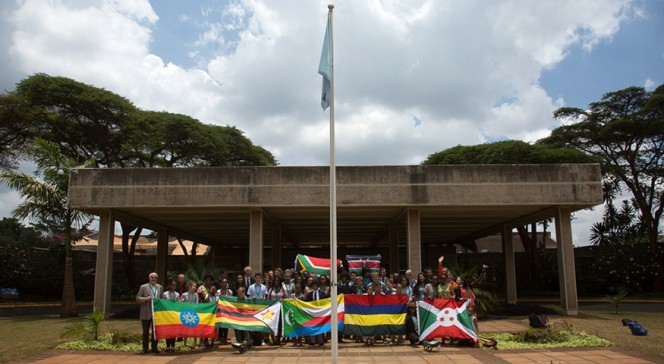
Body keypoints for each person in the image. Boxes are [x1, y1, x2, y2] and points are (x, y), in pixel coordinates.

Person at [136, 272, 163, 354]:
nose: (153, 279)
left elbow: (161, 299)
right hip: (146, 312)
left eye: (155, 278)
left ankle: (154, 348)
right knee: (145, 332)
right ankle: (145, 348)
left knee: (156, 331)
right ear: (149, 278)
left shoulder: (160, 287)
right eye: (152, 277)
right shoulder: (144, 287)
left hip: (156, 313)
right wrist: (145, 299)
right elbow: (137, 298)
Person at [305, 280, 328, 346]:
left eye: (316, 285)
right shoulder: (310, 294)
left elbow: (327, 299)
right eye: (313, 285)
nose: (314, 286)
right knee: (312, 327)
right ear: (312, 287)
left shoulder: (322, 293)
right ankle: (312, 341)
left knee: (320, 327)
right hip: (312, 313)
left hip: (320, 312)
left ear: (318, 286)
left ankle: (320, 341)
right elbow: (306, 302)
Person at [162, 279, 180, 352]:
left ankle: (173, 346)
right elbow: (163, 303)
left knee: (174, 331)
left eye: (175, 285)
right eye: (172, 285)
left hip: (174, 314)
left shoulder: (177, 294)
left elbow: (179, 304)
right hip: (167, 314)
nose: (173, 286)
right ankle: (167, 346)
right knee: (168, 331)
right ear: (169, 285)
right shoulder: (165, 294)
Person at [233, 287, 253, 351]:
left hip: (245, 317)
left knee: (246, 330)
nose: (239, 294)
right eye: (238, 293)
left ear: (243, 292)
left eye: (240, 293)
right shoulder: (236, 299)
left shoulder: (248, 300)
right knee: (237, 330)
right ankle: (239, 343)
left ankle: (249, 343)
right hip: (238, 317)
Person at [180, 281, 199, 348]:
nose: (195, 288)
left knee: (195, 328)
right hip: (186, 313)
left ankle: (195, 344)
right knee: (186, 328)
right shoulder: (184, 294)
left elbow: (197, 303)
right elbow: (181, 303)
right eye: (194, 286)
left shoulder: (196, 295)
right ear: (190, 286)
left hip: (193, 313)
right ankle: (185, 343)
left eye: (195, 286)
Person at [217, 278, 233, 345]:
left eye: (225, 282)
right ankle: (220, 338)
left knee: (226, 325)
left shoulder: (230, 292)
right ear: (221, 284)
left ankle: (225, 338)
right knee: (221, 325)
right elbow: (217, 300)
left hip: (227, 311)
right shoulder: (218, 292)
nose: (224, 283)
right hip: (220, 310)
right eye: (223, 282)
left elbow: (231, 300)